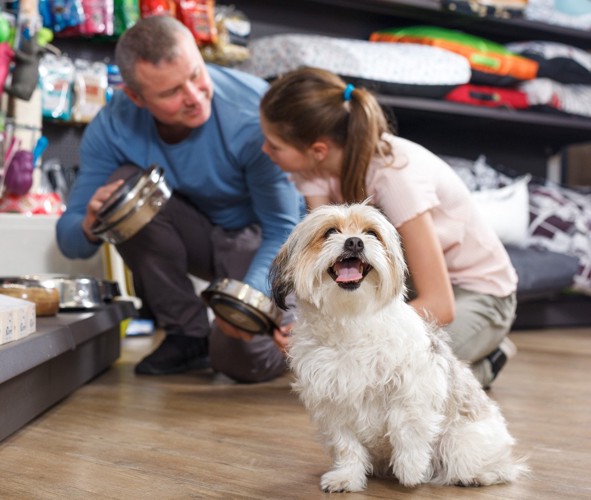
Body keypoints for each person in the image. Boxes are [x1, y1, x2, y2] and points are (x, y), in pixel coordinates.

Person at [56, 16, 302, 383]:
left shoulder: (252, 113)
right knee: (122, 191)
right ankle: (188, 334)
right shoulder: (112, 126)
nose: (194, 96)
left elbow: (283, 228)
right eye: (171, 92)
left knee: (239, 361)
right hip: (199, 233)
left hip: (263, 241)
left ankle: (295, 334)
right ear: (135, 97)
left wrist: (244, 306)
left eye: (196, 74)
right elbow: (69, 239)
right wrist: (92, 224)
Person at [259, 67, 518, 388]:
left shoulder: (396, 176)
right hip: (411, 285)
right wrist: (307, 326)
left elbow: (440, 303)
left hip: (477, 294)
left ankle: (487, 361)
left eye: (273, 145)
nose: (264, 151)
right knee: (359, 365)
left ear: (318, 150)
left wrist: (360, 336)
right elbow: (324, 264)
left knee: (402, 376)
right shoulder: (312, 170)